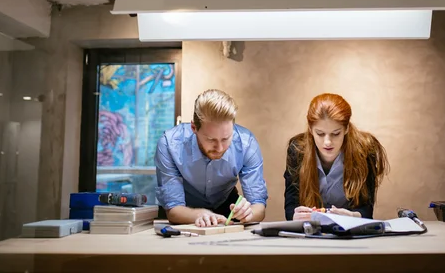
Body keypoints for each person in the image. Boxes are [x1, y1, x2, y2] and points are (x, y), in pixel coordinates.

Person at [155, 89, 268, 227]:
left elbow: (259, 208)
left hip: (227, 206)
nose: (220, 148)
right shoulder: (169, 144)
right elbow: (174, 210)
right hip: (184, 211)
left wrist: (248, 213)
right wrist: (200, 214)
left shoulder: (246, 143)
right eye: (210, 139)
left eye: (226, 139)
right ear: (194, 127)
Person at [284, 93, 389, 221]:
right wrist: (296, 215)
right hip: (312, 232)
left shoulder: (366, 149)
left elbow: (366, 210)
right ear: (311, 130)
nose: (327, 142)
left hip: (350, 234)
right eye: (320, 134)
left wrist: (352, 216)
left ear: (346, 129)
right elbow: (291, 206)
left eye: (335, 134)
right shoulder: (297, 150)